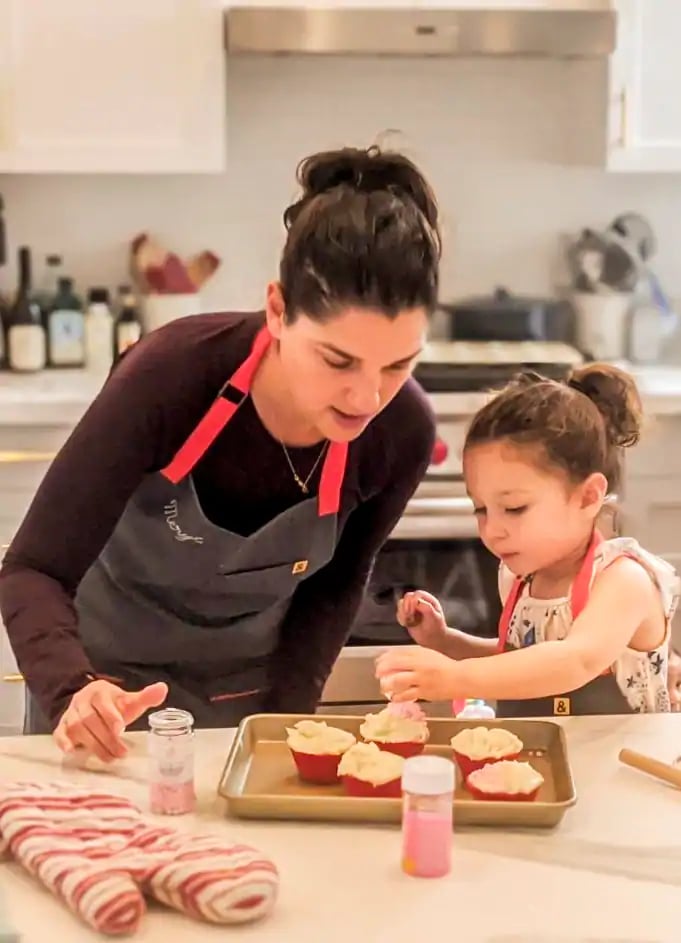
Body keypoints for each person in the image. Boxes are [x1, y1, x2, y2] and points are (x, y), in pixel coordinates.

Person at [0, 145, 441, 760]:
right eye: (337, 360)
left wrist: (287, 727)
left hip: (249, 693)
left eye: (398, 364)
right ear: (278, 311)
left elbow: (335, 588)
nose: (367, 397)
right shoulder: (170, 378)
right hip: (107, 691)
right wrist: (72, 689)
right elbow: (32, 570)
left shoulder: (403, 429)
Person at [376, 364, 680, 716]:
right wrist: (446, 642)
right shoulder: (522, 578)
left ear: (587, 497)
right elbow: (522, 663)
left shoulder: (622, 581)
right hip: (543, 763)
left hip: (619, 767)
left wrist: (456, 677)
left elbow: (574, 661)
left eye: (515, 508)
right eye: (481, 510)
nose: (493, 529)